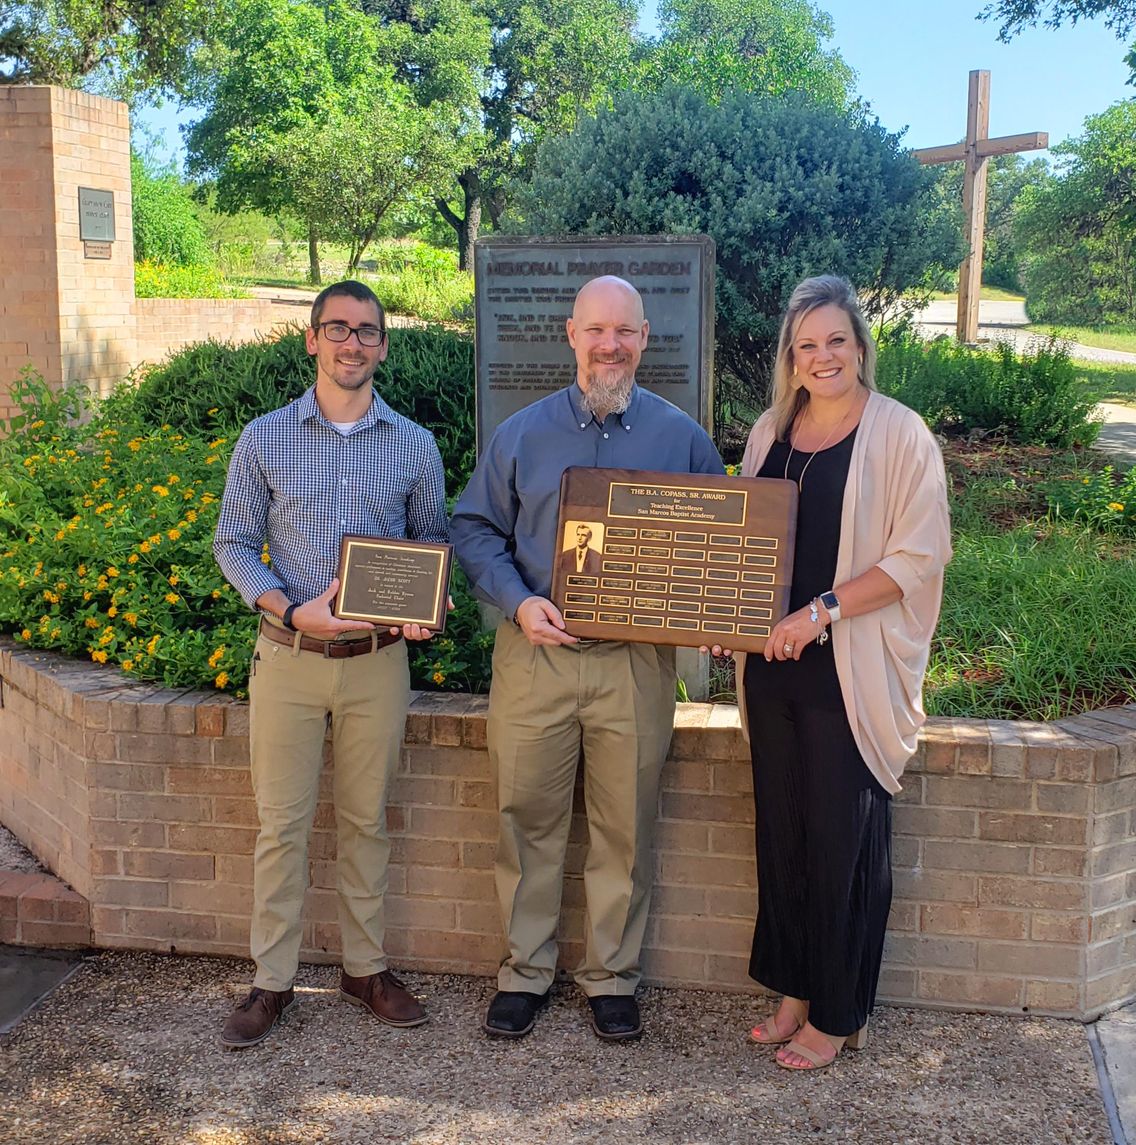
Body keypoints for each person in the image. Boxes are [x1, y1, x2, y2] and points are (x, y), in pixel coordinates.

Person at [451, 275, 724, 1041]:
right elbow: (474, 529)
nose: (611, 345)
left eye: (626, 332)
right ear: (571, 334)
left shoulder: (680, 438)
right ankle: (523, 971)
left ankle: (611, 976)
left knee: (625, 826)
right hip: (536, 653)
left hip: (635, 664)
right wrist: (517, 599)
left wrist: (708, 614)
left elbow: (723, 542)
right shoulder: (523, 434)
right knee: (525, 817)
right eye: (597, 330)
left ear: (645, 339)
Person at [213, 280, 448, 1049]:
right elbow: (233, 543)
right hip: (288, 659)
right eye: (338, 328)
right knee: (281, 826)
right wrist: (285, 606)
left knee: (366, 821)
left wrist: (425, 607)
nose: (353, 343)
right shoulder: (265, 437)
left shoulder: (415, 444)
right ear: (311, 338)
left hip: (377, 664)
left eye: (368, 331)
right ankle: (272, 981)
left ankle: (364, 967)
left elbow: (431, 547)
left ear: (384, 344)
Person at [737, 275, 950, 1070]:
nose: (822, 357)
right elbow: (752, 541)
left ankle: (838, 1009)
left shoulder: (900, 434)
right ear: (791, 360)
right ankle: (795, 985)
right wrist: (732, 622)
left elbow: (917, 557)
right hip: (774, 667)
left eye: (836, 341)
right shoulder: (772, 430)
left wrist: (822, 609)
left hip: (848, 672)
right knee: (784, 832)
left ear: (860, 345)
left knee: (842, 843)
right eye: (806, 346)